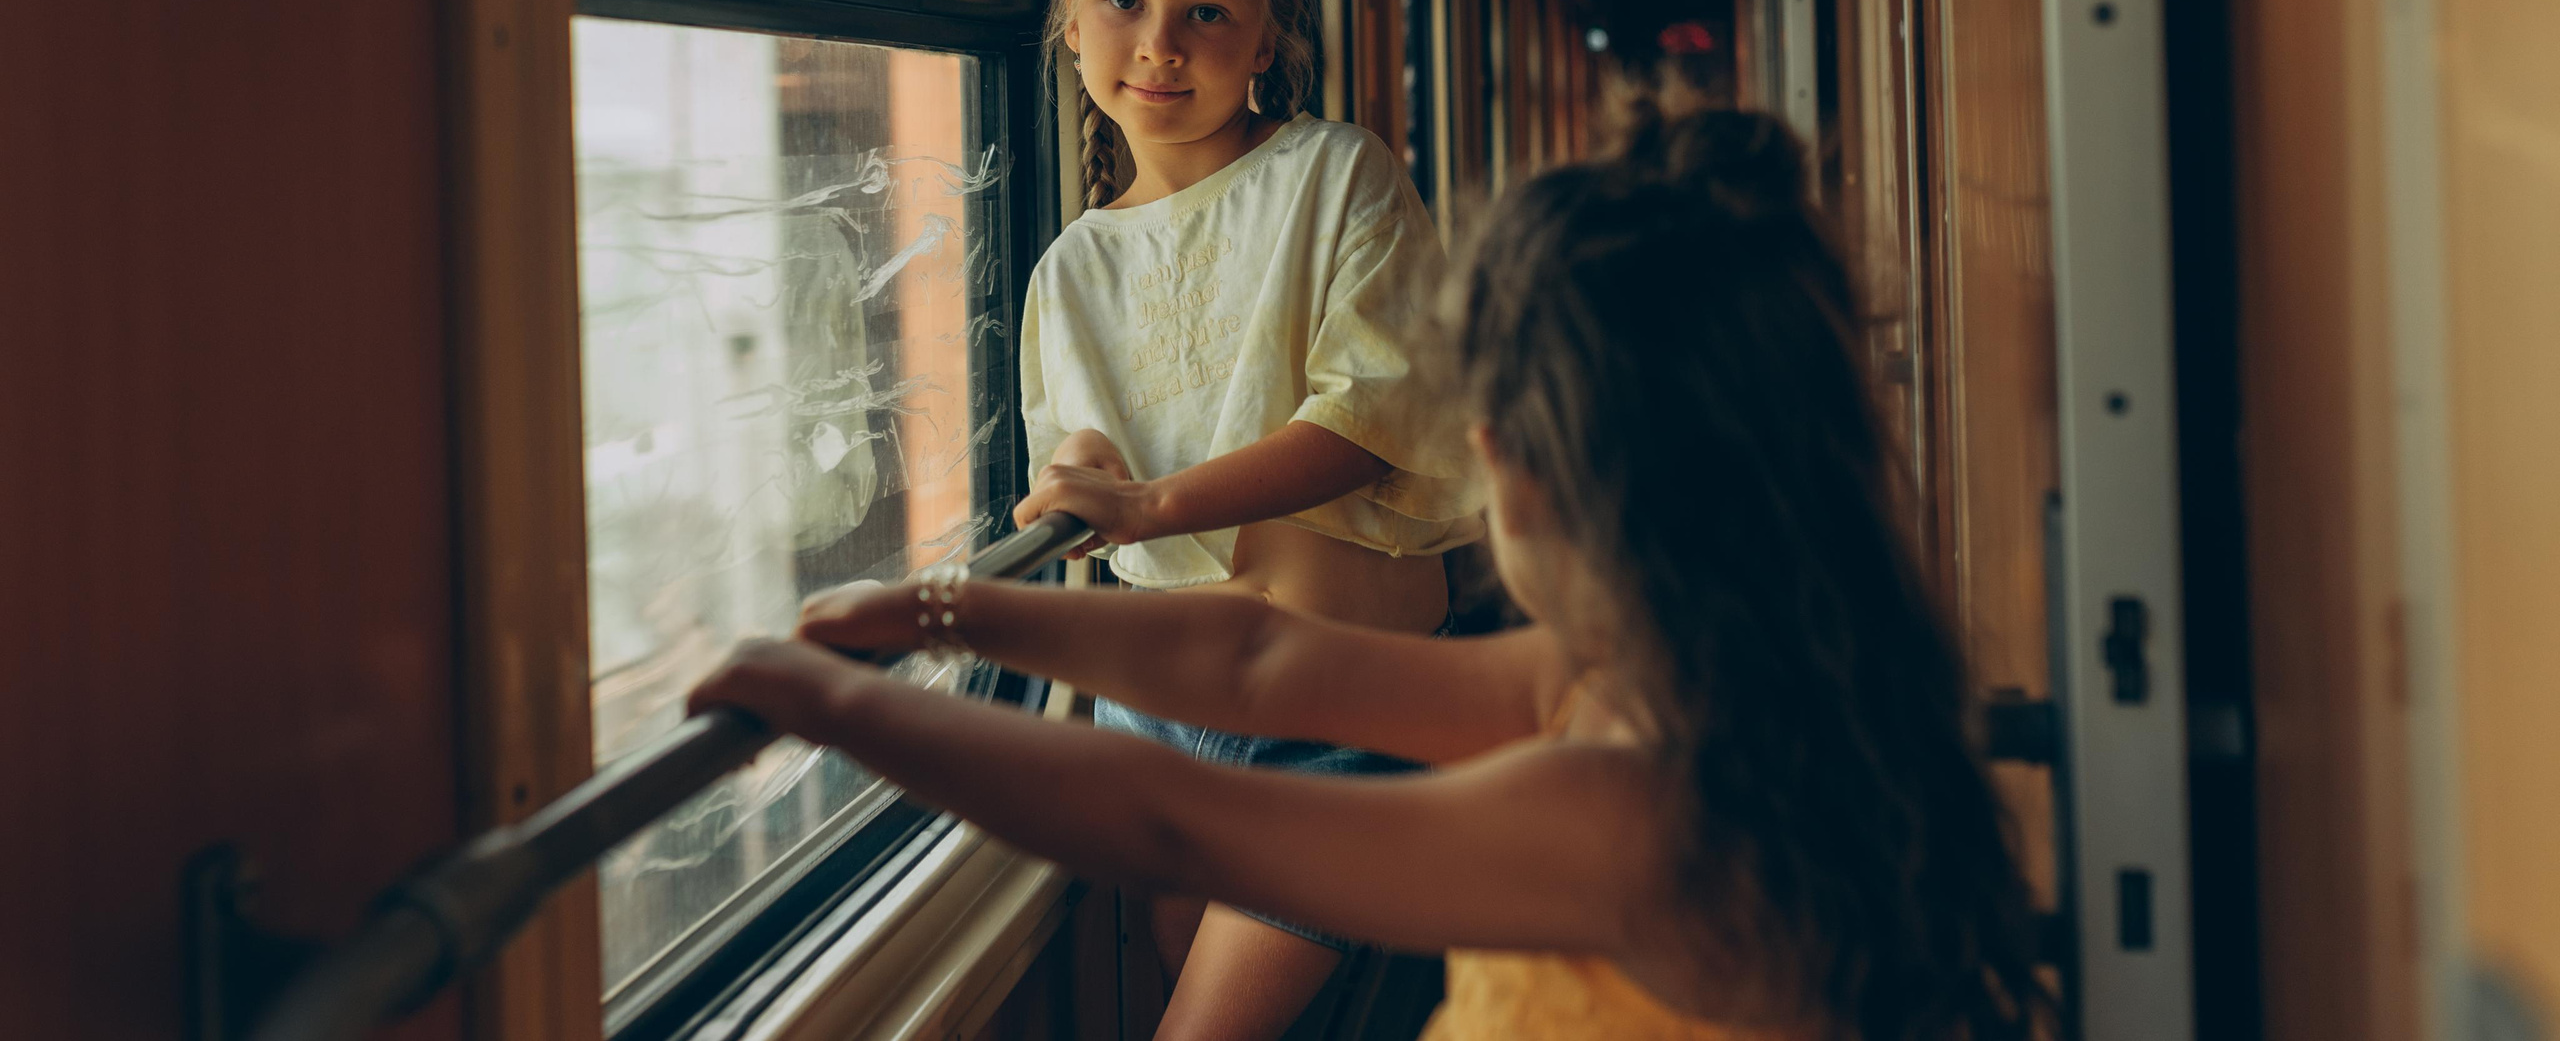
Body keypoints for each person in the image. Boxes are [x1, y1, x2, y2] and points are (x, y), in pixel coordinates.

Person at [692, 107, 2047, 1041]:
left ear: (1514, 465)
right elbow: (1257, 660)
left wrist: (833, 703)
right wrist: (943, 610)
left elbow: (1181, 820)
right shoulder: (1669, 683)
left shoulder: (1631, 806)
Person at [991, 0, 1493, 1037]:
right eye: (1124, 1)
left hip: (1344, 703)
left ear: (1265, 39)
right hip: (1159, 716)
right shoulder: (1068, 267)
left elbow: (1368, 420)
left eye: (1206, 11)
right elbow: (1086, 451)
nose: (1160, 43)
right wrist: (1076, 484)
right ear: (1070, 20)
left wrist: (1151, 506)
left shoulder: (1337, 176)